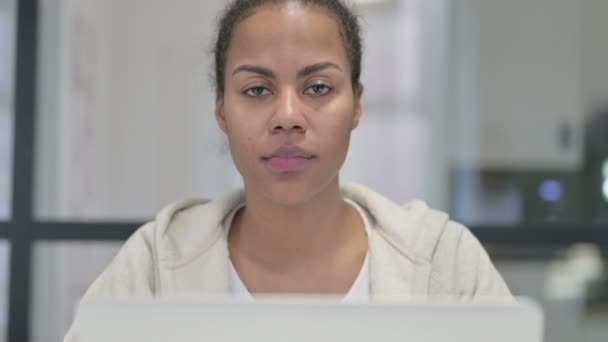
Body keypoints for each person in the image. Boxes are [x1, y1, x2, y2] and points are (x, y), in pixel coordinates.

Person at [64, 0, 511, 339]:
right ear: (221, 111)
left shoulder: (443, 263)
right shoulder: (155, 264)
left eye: (318, 87)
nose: (288, 116)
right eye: (257, 90)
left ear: (357, 104)